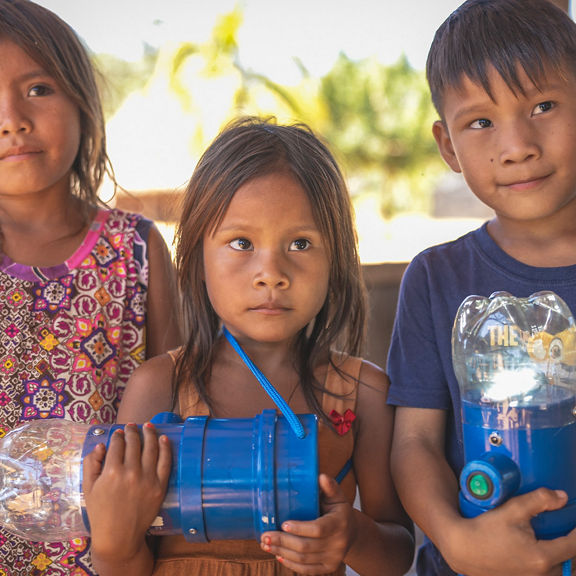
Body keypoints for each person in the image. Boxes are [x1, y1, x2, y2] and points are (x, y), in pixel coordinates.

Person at [82, 116, 415, 576]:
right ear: (197, 258)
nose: (271, 272)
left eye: (300, 243)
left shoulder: (362, 392)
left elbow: (397, 553)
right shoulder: (160, 387)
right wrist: (114, 545)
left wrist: (352, 535)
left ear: (336, 258)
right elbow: (125, 563)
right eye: (242, 243)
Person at [386, 0, 576, 575]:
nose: (517, 145)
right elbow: (414, 443)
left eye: (543, 106)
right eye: (482, 122)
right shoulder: (434, 278)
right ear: (448, 146)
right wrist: (456, 540)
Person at [0, 0, 182, 574]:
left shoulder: (136, 249)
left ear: (83, 102)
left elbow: (178, 407)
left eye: (38, 88)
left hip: (111, 557)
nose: (12, 117)